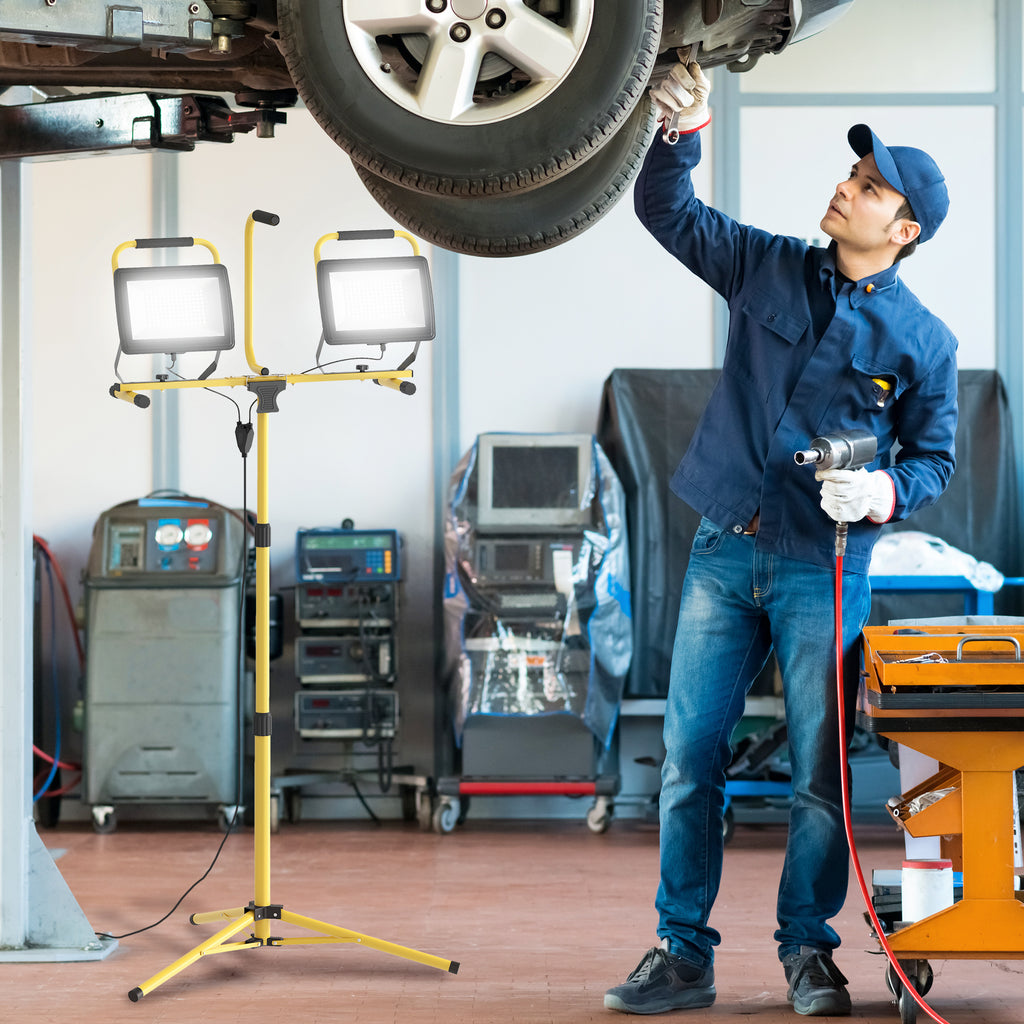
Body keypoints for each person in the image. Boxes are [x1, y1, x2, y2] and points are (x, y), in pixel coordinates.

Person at [604, 61, 958, 1017]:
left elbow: (935, 460)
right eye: (853, 174)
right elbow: (667, 212)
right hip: (725, 549)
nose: (847, 187)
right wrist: (684, 131)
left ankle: (809, 951)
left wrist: (884, 490)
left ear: (905, 231)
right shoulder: (765, 265)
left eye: (870, 187)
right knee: (690, 762)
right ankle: (683, 953)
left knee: (819, 776)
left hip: (824, 570)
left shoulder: (926, 343)